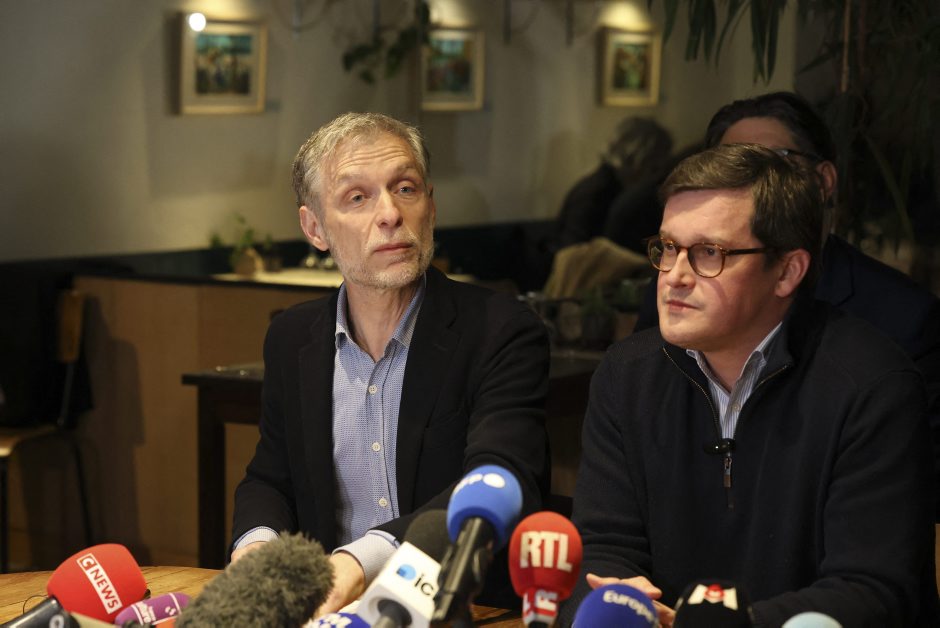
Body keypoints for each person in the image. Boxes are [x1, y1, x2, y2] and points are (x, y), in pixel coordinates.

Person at [560, 144, 938, 627]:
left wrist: (718, 625)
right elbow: (602, 549)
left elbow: (871, 592)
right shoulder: (626, 374)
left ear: (787, 271)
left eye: (708, 253)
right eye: (668, 248)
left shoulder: (872, 385)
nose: (674, 276)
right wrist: (618, 602)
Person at [230, 112, 550, 614]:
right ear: (314, 228)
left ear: (431, 206)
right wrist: (257, 546)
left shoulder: (501, 330)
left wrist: (358, 563)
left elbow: (499, 479)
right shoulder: (292, 338)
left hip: (461, 610)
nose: (390, 214)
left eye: (405, 188)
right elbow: (270, 478)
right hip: (332, 614)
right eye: (357, 197)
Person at [634, 92, 940, 517]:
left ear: (823, 180)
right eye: (733, 161)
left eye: (773, 161)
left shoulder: (898, 326)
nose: (678, 276)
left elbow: (913, 496)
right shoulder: (654, 334)